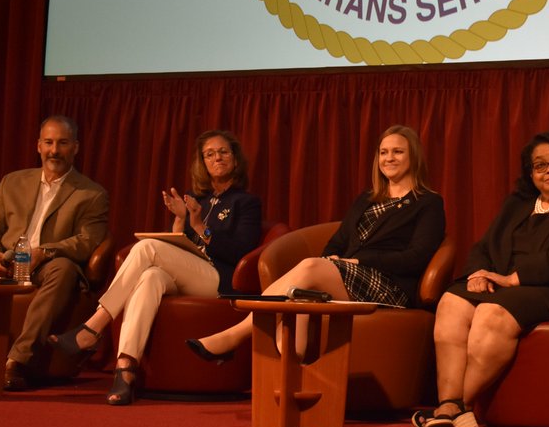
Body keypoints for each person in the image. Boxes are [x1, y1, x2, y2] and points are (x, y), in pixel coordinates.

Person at [187, 125, 445, 362]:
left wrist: (358, 261)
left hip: (391, 286)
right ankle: (293, 372)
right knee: (298, 301)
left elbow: (417, 257)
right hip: (350, 276)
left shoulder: (427, 203)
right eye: (383, 152)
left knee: (310, 268)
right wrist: (333, 258)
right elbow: (337, 242)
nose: (389, 158)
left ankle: (236, 335)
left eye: (398, 152)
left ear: (414, 157)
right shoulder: (366, 200)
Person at [414, 131, 549, 427]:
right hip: (508, 287)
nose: (548, 170)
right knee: (451, 301)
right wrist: (478, 273)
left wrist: (514, 278)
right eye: (539, 165)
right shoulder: (517, 205)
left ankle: (454, 407)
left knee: (491, 313)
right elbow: (485, 245)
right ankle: (451, 406)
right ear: (530, 173)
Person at [50, 129, 262, 405]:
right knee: (151, 276)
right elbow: (180, 247)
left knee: (146, 248)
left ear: (235, 159)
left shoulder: (246, 203)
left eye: (223, 152)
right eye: (209, 154)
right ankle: (125, 369)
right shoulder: (197, 199)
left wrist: (200, 226)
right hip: (191, 272)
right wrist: (179, 221)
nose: (217, 157)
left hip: (220, 279)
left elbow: (241, 252)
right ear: (203, 163)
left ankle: (93, 327)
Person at [0, 115, 109, 391]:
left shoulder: (91, 194)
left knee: (64, 268)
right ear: (38, 146)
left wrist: (44, 251)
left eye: (62, 143)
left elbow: (87, 241)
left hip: (46, 266)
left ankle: (16, 360)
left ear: (75, 147)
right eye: (49, 143)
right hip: (4, 261)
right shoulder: (12, 182)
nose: (54, 150)